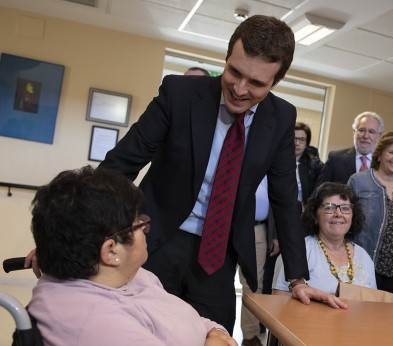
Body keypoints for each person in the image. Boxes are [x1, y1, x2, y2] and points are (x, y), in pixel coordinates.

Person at [96, 15, 344, 332]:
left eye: (256, 83)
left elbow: (284, 198)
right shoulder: (180, 94)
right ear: (226, 59)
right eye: (234, 72)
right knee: (140, 331)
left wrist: (297, 278)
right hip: (155, 239)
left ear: (275, 82)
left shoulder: (281, 117)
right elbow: (121, 164)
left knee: (216, 335)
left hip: (217, 251)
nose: (240, 90)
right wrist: (79, 233)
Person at [27, 166, 236, 346]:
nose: (146, 229)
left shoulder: (133, 276)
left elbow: (190, 317)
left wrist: (214, 332)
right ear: (111, 251)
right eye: (138, 223)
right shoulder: (97, 323)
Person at [348, 132, 393, 297]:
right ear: (379, 154)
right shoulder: (358, 181)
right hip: (365, 267)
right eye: (392, 152)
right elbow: (347, 223)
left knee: (391, 320)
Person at [273, 182, 376, 295]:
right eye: (329, 207)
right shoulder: (296, 253)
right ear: (315, 216)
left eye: (345, 208)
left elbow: (372, 304)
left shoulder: (364, 257)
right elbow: (279, 302)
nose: (338, 214)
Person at [238, 176, 278, 346]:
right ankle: (215, 329)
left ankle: (250, 335)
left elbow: (278, 203)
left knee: (254, 282)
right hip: (230, 226)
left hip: (259, 229)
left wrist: (275, 236)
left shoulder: (274, 166)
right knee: (217, 279)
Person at [317, 111, 384, 185]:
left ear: (379, 136)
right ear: (354, 132)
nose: (366, 136)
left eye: (371, 132)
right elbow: (319, 192)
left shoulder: (383, 164)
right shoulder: (335, 159)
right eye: (362, 130)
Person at [294, 122, 324, 205]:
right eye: (294, 138)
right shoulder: (277, 161)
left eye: (302, 140)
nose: (297, 143)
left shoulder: (315, 165)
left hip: (303, 211)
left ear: (306, 143)